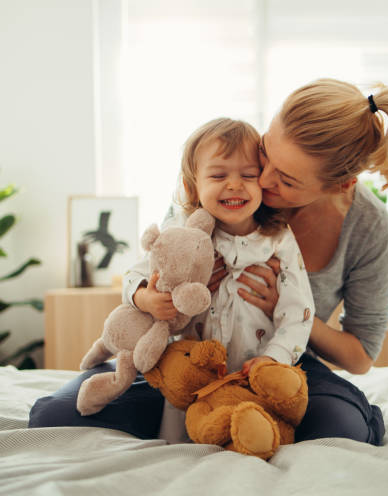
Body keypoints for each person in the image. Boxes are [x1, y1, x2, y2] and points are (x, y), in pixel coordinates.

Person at [29, 117, 316, 441]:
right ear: (193, 186)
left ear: (262, 182)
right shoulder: (182, 231)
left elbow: (299, 310)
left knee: (248, 431)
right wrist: (145, 298)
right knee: (176, 442)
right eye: (219, 175)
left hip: (253, 374)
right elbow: (136, 273)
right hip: (189, 375)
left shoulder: (277, 238)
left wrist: (273, 359)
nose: (235, 185)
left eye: (248, 175)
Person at [222, 78, 388, 443]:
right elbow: (173, 250)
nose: (263, 179)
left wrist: (288, 309)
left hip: (290, 362)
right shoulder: (230, 172)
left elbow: (360, 356)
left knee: (343, 425)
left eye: (286, 180)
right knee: (86, 401)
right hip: (203, 350)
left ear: (340, 185)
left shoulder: (368, 227)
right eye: (266, 151)